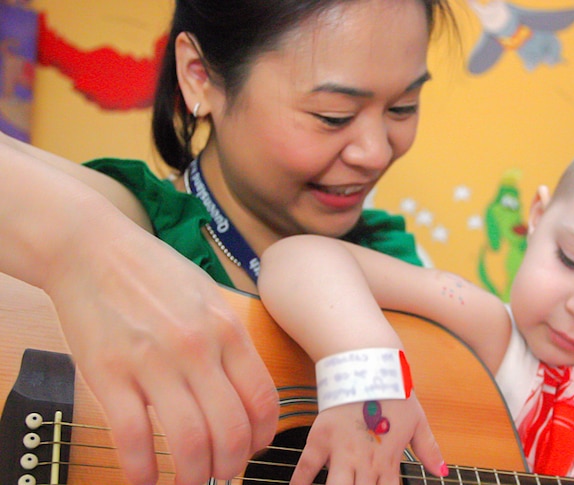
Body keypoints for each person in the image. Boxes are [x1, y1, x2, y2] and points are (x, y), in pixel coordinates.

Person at [0, 0, 456, 483]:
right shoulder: (131, 221)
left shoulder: (401, 266)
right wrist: (81, 241)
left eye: (403, 107)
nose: (376, 152)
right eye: (332, 115)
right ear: (199, 75)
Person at [258, 116, 574, 484]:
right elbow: (298, 259)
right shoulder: (488, 328)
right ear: (536, 218)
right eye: (572, 260)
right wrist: (366, 373)